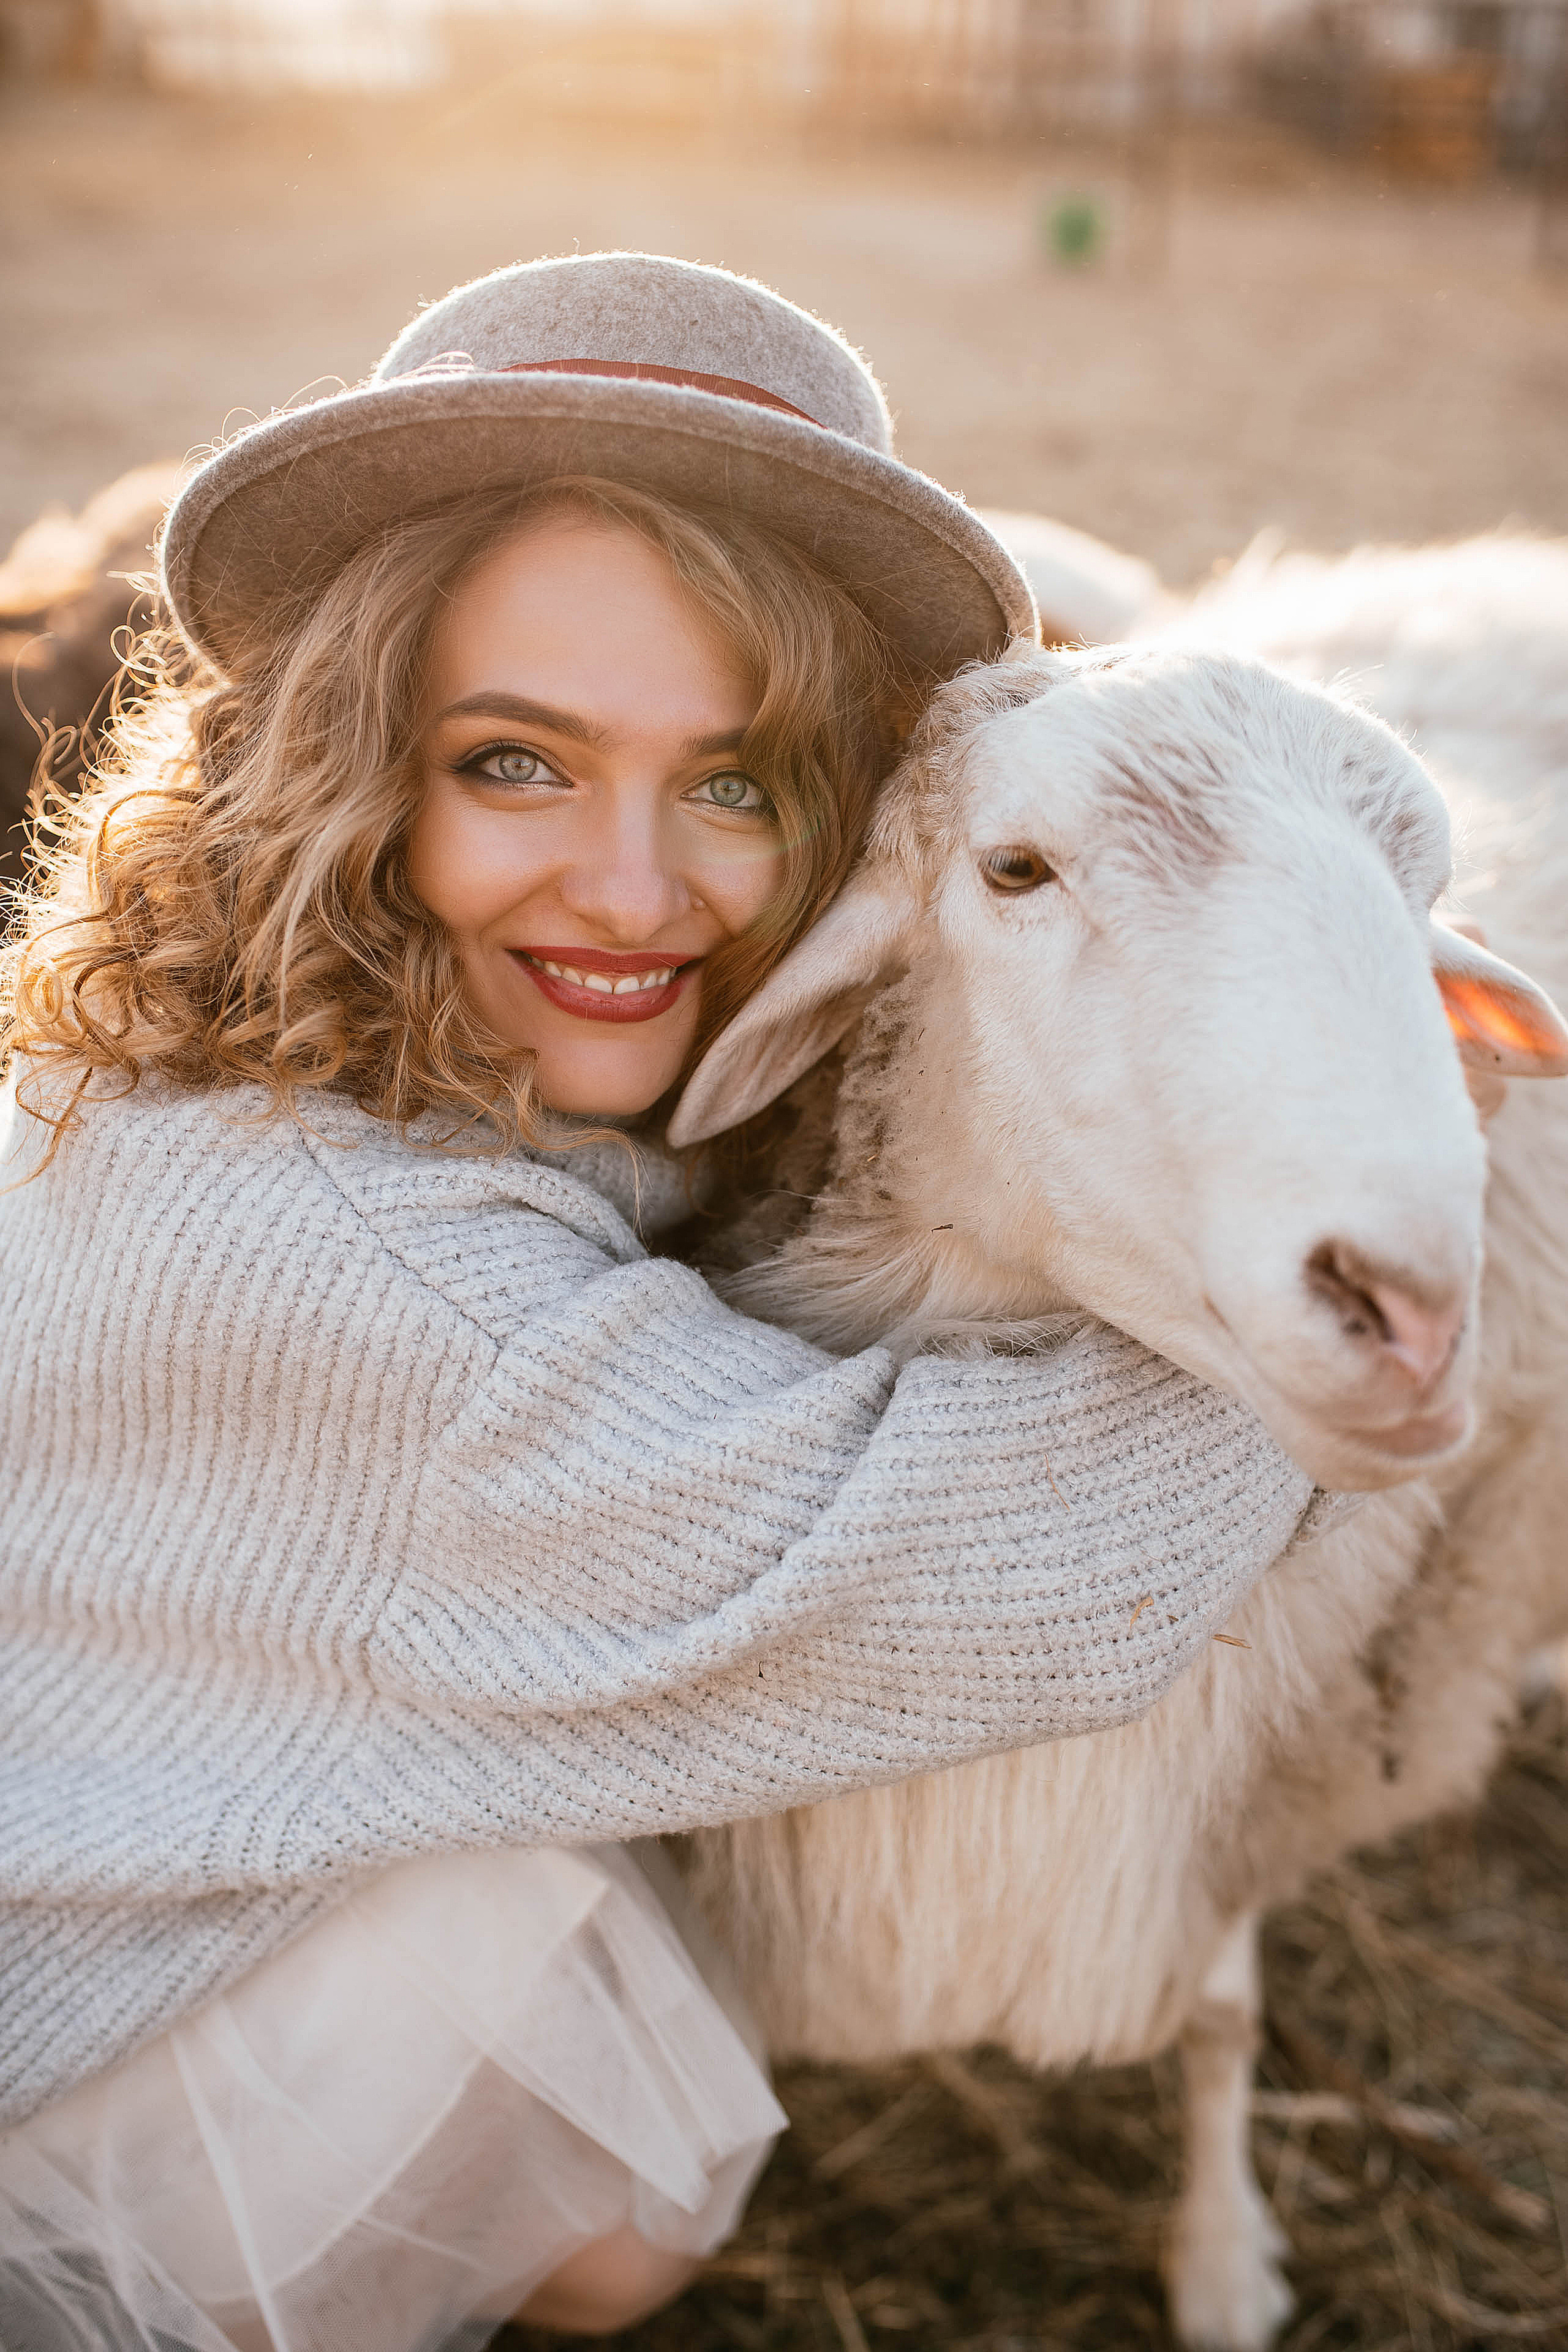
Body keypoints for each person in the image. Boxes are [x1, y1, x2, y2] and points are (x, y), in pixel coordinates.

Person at [0, 254, 1335, 2352]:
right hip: (55, 1970)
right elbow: (979, 1566)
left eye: (734, 783)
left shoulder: (220, 1042)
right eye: (517, 763)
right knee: (629, 2190)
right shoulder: (370, 1291)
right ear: (353, 757)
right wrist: (1344, 1227)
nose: (634, 893)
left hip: (86, 1760)